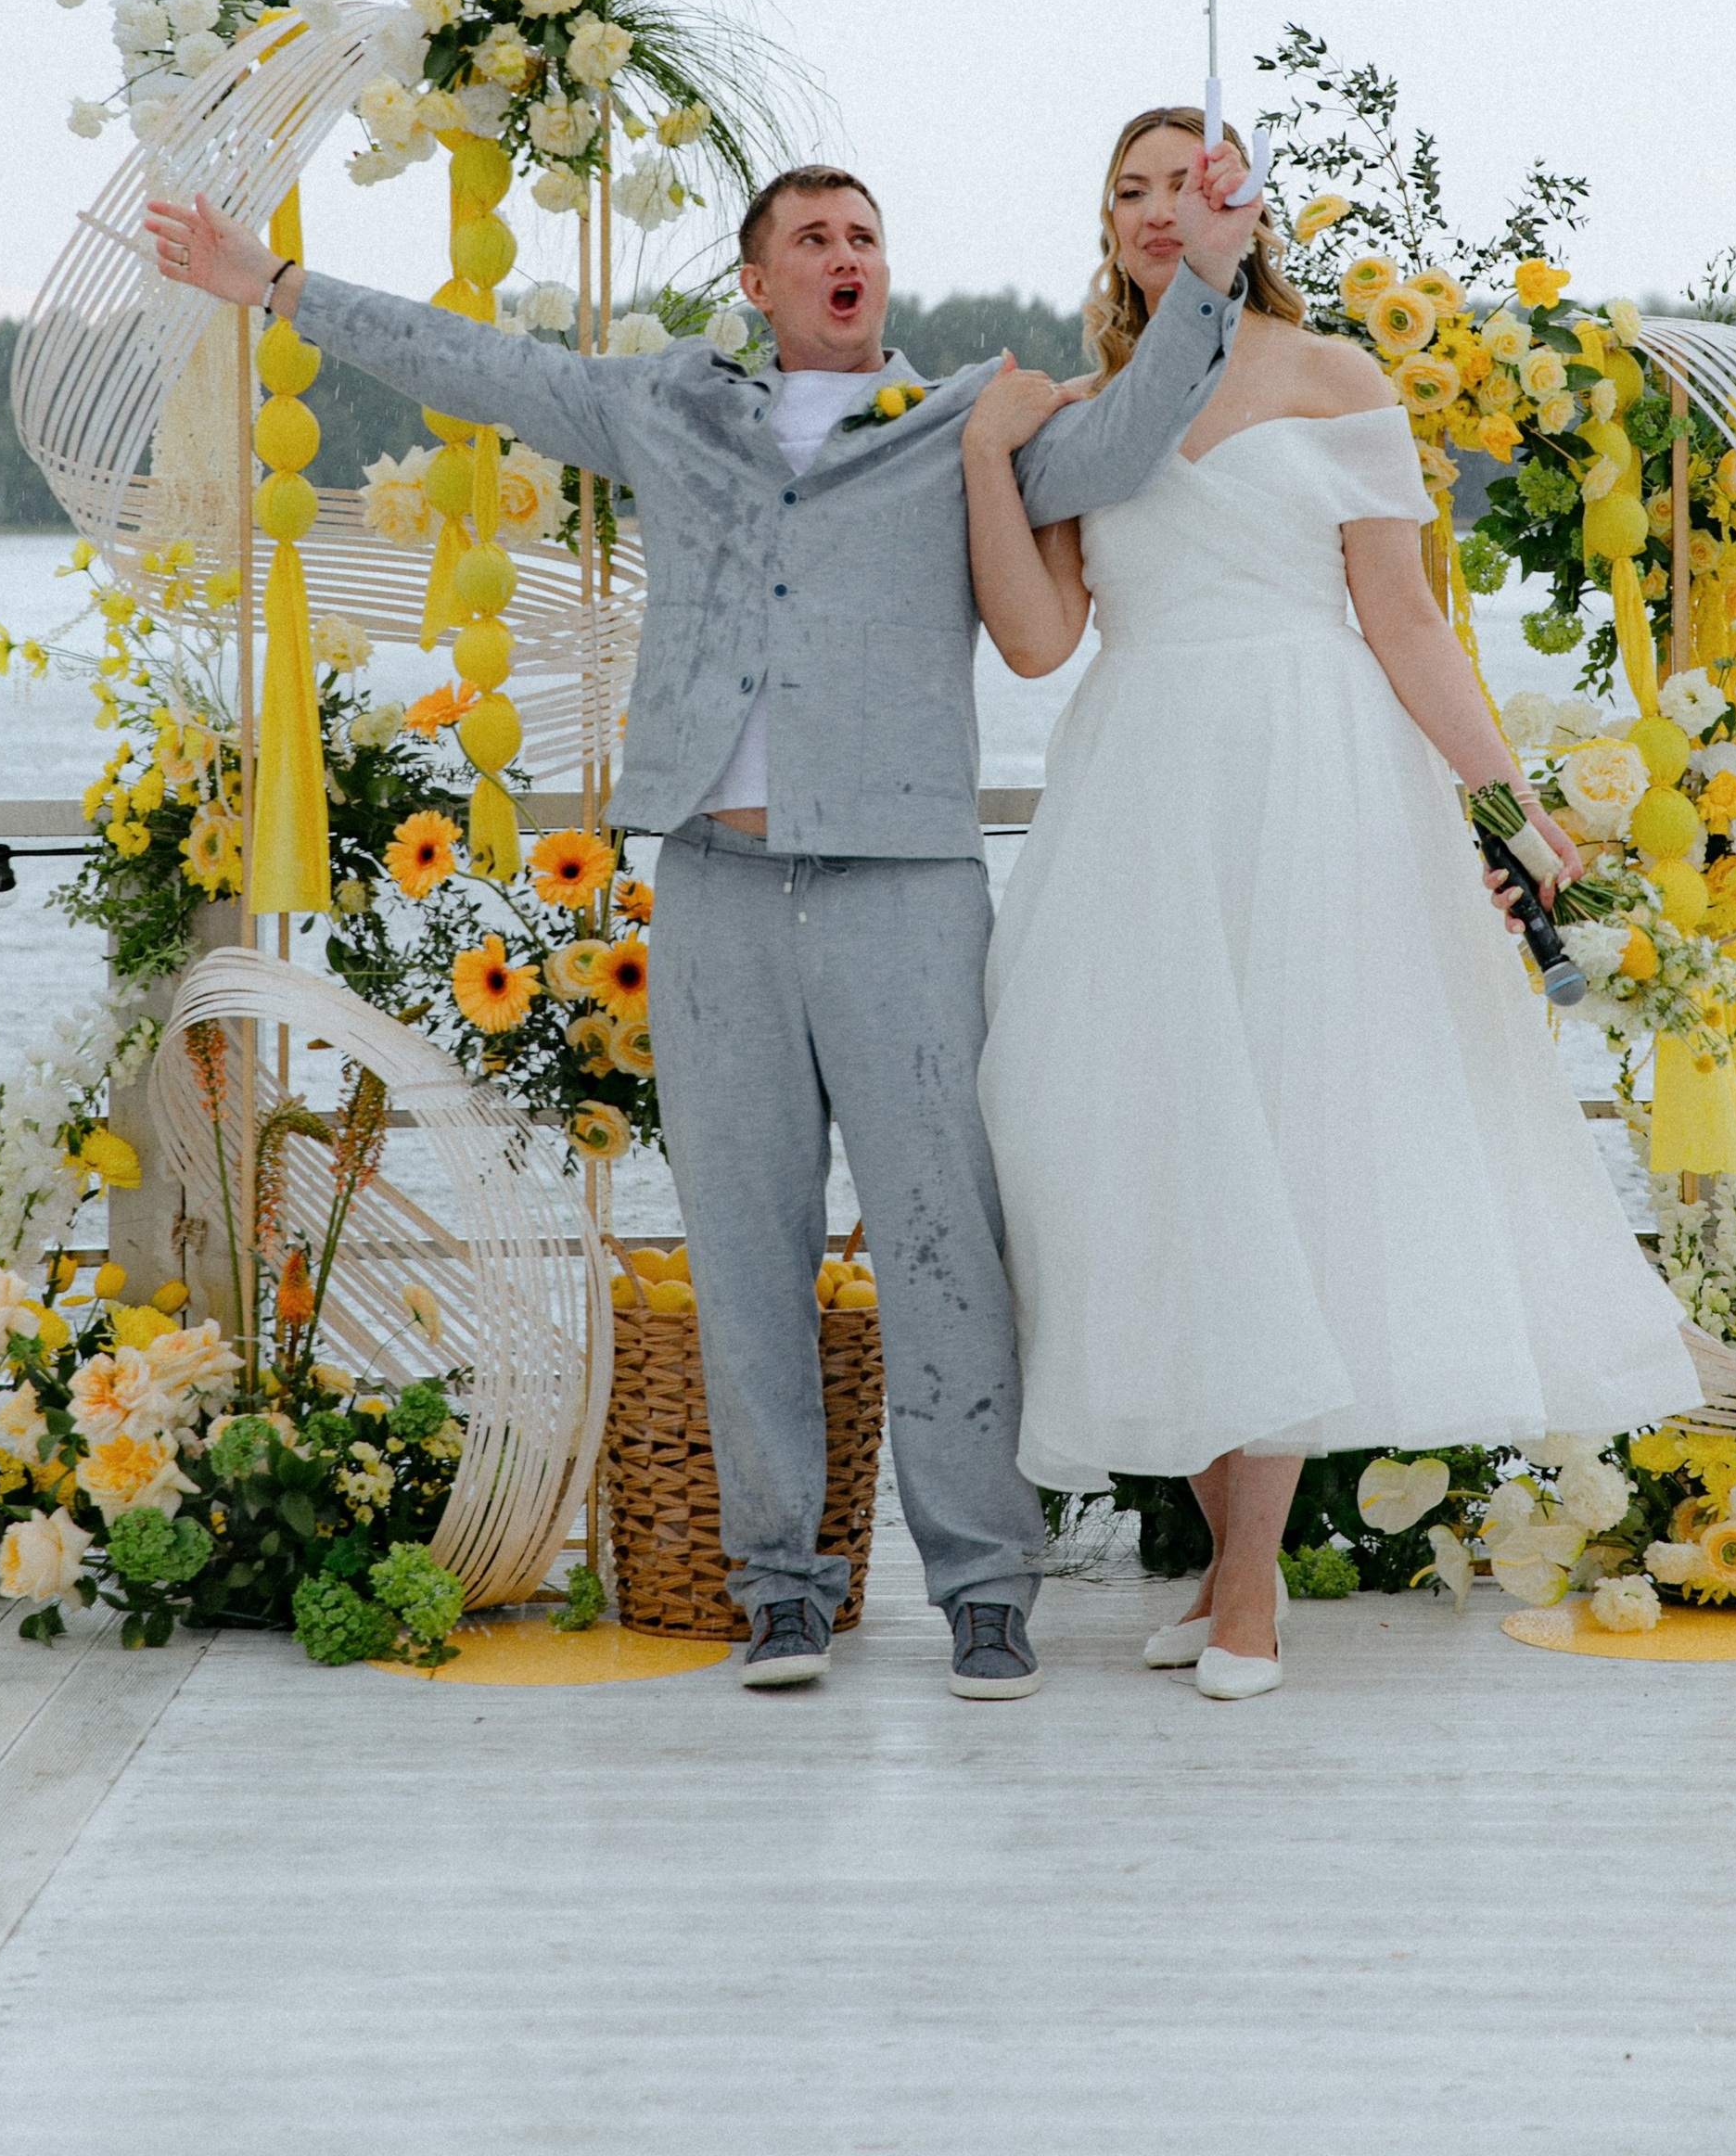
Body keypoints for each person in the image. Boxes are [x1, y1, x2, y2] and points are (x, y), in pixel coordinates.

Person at [144, 147, 1258, 1700]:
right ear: (759, 280)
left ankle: (985, 1588)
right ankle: (781, 1587)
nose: (845, 251)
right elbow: (481, 363)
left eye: (866, 232)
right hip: (720, 892)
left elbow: (1131, 439)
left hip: (906, 887)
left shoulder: (965, 426)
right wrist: (272, 286)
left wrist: (1206, 270)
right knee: (745, 1250)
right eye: (812, 236)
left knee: (946, 1243)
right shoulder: (668, 407)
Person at [960, 107, 1699, 1701]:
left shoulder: (1338, 380)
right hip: (1143, 790)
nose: (1161, 209)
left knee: (1289, 1145)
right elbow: (1041, 640)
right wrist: (985, 460)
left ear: (1244, 203)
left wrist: (1506, 804)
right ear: (1107, 225)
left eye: (1190, 182)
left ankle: (1246, 1589)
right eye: (1131, 190)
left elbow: (1407, 624)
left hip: (1314, 785)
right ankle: (1227, 1556)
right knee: (1163, 1155)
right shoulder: (1089, 415)